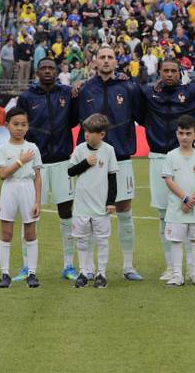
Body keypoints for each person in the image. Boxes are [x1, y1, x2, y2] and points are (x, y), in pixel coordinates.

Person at [140, 58, 195, 281]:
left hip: (188, 157)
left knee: (190, 213)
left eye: (173, 71)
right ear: (159, 72)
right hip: (159, 156)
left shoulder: (193, 91)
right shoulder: (149, 93)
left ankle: (192, 268)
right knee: (164, 214)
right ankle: (171, 267)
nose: (169, 74)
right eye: (165, 70)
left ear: (180, 72)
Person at [76, 46, 142, 281]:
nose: (106, 60)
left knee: (124, 210)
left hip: (121, 158)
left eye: (110, 57)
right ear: (95, 62)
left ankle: (128, 266)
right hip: (91, 160)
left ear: (116, 62)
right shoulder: (84, 89)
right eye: (102, 57)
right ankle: (88, 268)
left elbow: (142, 114)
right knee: (90, 214)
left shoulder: (129, 88)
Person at [15, 57, 79, 282]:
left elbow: (73, 120)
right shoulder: (26, 97)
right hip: (36, 164)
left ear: (57, 71)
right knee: (30, 214)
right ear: (37, 72)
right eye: (43, 68)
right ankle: (27, 266)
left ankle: (69, 265)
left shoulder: (67, 94)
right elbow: (20, 126)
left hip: (62, 161)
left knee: (66, 213)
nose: (48, 71)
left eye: (51, 68)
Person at [68, 113, 119, 289]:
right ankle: (84, 272)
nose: (86, 135)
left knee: (102, 240)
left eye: (90, 132)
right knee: (82, 240)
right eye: (85, 132)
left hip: (100, 206)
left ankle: (101, 274)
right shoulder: (80, 149)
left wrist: (111, 201)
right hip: (81, 205)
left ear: (102, 134)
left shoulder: (109, 150)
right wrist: (85, 163)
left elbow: (112, 178)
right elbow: (70, 171)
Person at [0, 107, 42, 289]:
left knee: (30, 233)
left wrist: (37, 201)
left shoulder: (33, 148)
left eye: (23, 124)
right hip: (10, 188)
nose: (19, 128)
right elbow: (3, 174)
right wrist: (21, 161)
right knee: (6, 232)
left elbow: (38, 177)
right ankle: (5, 274)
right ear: (7, 125)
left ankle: (32, 273)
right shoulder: (2, 148)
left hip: (27, 188)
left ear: (28, 127)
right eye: (15, 124)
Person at [161, 115, 195, 287]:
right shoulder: (171, 156)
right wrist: (184, 198)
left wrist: (192, 200)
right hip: (176, 208)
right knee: (176, 241)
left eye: (188, 133)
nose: (184, 137)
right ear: (176, 134)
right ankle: (177, 275)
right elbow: (169, 180)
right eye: (181, 133)